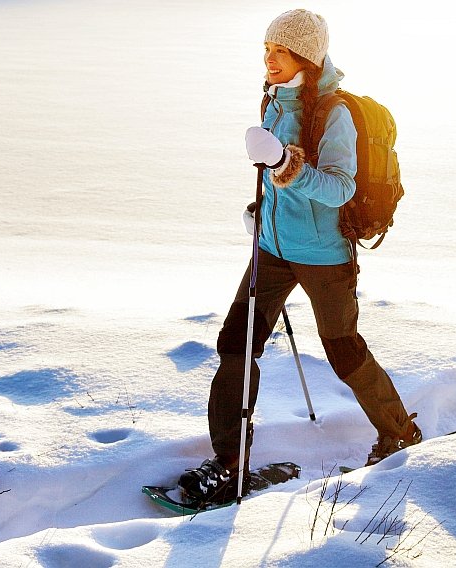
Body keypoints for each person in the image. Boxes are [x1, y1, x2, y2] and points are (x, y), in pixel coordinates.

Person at [177, 8, 421, 505]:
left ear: (306, 57)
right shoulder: (274, 99)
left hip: (324, 255)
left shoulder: (334, 113)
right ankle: (229, 462)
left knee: (344, 350)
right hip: (272, 248)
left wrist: (284, 163)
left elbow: (339, 187)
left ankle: (399, 432)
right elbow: (276, 180)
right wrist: (262, 212)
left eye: (281, 52)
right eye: (266, 49)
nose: (269, 59)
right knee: (236, 343)